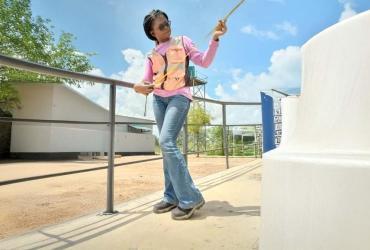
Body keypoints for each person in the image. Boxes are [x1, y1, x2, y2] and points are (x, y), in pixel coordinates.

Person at [134, 9, 227, 220]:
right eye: (161, 26)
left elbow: (204, 61)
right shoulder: (151, 55)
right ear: (152, 32)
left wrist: (214, 38)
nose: (166, 27)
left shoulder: (183, 41)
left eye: (167, 23)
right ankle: (171, 196)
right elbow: (144, 80)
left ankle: (190, 198)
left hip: (179, 97)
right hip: (158, 99)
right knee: (166, 149)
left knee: (166, 141)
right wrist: (137, 86)